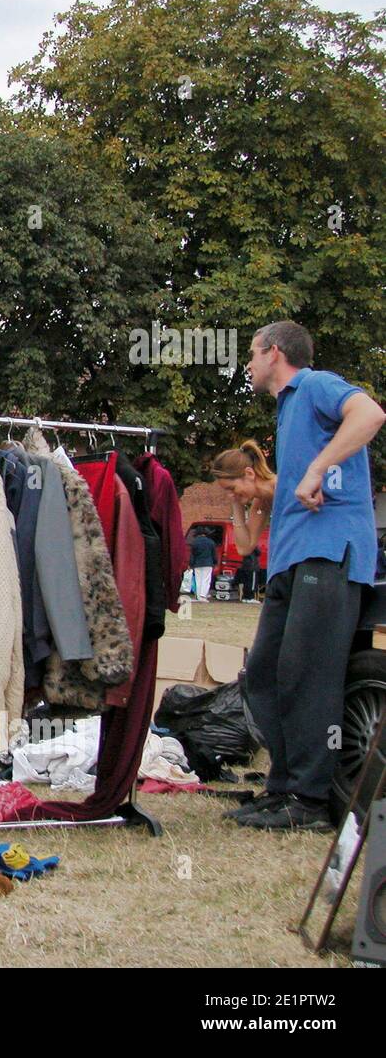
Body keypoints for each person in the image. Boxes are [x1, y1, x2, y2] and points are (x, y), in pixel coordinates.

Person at [225, 320, 385, 832]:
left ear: (275, 353)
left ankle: (312, 802)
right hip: (292, 559)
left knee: (307, 674)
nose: (248, 363)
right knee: (266, 675)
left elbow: (370, 413)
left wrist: (317, 470)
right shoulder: (288, 407)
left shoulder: (314, 384)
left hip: (328, 553)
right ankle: (283, 790)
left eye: (252, 352)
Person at [187, 527, 218, 601]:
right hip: (208, 563)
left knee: (198, 580)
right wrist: (215, 562)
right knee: (206, 580)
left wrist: (190, 564)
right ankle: (203, 595)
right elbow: (214, 554)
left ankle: (198, 596)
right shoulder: (211, 542)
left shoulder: (195, 542)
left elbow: (192, 555)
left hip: (197, 564)